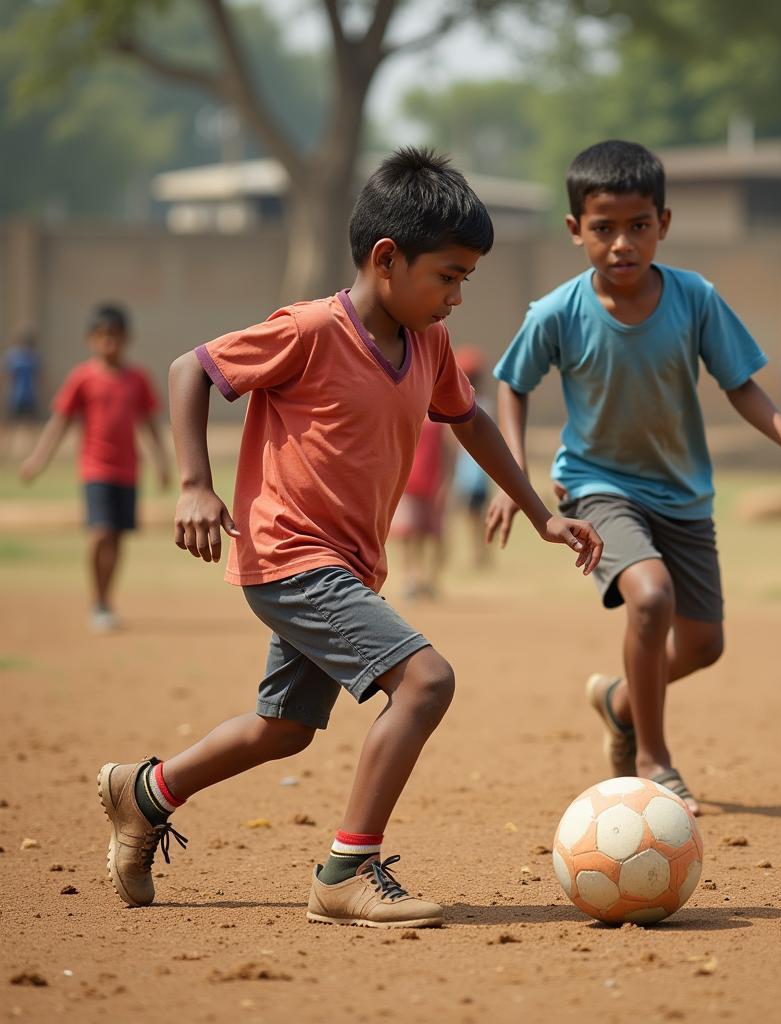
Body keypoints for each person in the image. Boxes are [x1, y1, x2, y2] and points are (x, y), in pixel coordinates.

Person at [97, 148, 602, 929]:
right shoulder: (308, 330)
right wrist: (194, 483)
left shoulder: (425, 340)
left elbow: (466, 419)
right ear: (386, 259)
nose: (458, 296)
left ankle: (144, 792)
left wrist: (538, 512)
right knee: (426, 682)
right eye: (450, 276)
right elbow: (189, 370)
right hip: (290, 556)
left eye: (467, 278)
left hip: (349, 567)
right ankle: (346, 870)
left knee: (285, 729)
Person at [486, 140, 781, 815]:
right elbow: (511, 385)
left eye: (638, 226)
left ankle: (621, 701)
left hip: (683, 493)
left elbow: (740, 382)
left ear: (665, 224)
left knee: (705, 645)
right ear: (575, 231)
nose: (622, 243)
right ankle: (654, 759)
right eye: (603, 228)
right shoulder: (556, 313)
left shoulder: (694, 299)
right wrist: (518, 484)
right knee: (648, 600)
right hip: (598, 486)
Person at [20, 305, 169, 632]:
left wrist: (162, 463)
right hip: (95, 469)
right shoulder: (82, 378)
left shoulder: (137, 379)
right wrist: (37, 460)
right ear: (92, 339)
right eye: (103, 337)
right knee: (100, 533)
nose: (110, 343)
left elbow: (149, 425)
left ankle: (106, 599)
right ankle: (97, 600)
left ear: (127, 339)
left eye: (116, 337)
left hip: (127, 471)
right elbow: (60, 422)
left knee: (116, 538)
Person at [391, 415, 453, 599]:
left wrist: (446, 482)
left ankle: (430, 580)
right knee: (407, 534)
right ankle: (410, 579)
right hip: (407, 482)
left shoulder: (442, 417)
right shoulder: (408, 409)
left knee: (433, 535)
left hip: (433, 483)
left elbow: (449, 451)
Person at [450, 346, 494, 569]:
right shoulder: (484, 403)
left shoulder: (478, 404)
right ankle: (479, 552)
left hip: (474, 472)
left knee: (474, 514)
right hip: (472, 472)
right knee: (473, 514)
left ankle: (480, 553)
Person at [3, 327, 42, 457]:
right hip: (21, 397)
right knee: (12, 427)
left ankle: (34, 454)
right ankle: (5, 452)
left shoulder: (17, 357)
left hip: (19, 397)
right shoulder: (26, 358)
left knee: (26, 427)